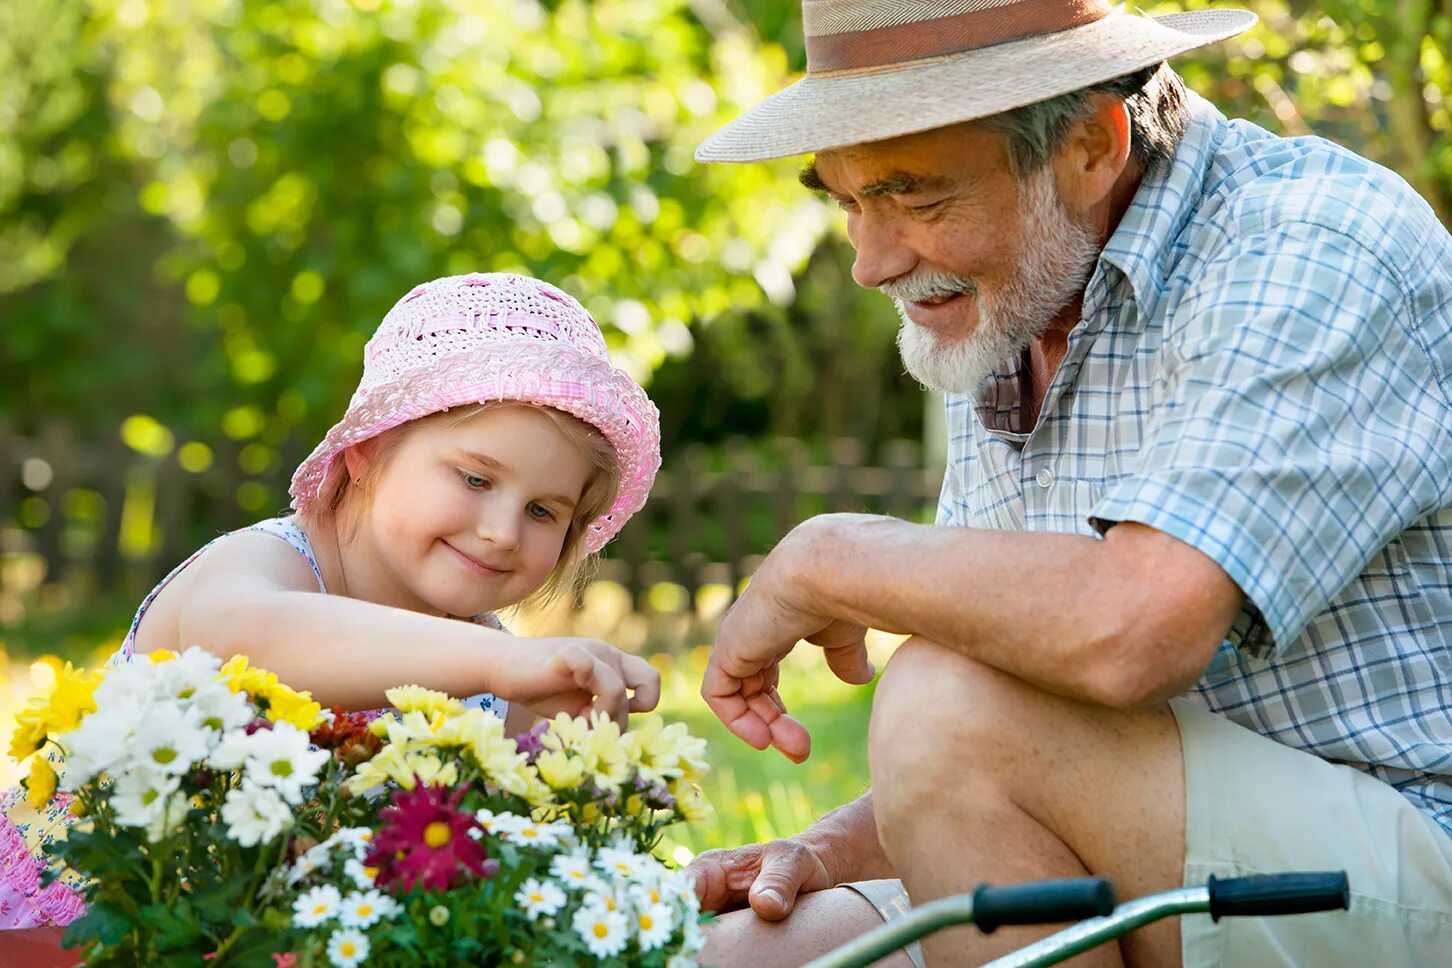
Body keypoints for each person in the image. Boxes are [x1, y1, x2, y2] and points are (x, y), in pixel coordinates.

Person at [687, 2, 1452, 966]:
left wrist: (827, 557)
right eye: (847, 203)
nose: (871, 262)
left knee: (939, 698)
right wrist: (823, 849)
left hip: (1411, 870)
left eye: (917, 201)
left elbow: (1136, 634)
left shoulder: (1315, 245)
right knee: (738, 958)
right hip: (1189, 860)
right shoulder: (1012, 299)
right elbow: (1024, 749)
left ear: (1091, 145)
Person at [0, 271, 664, 930]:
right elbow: (245, 634)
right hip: (64, 929)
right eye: (474, 477)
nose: (501, 531)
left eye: (544, 511)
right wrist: (496, 662)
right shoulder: (271, 564)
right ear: (369, 451)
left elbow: (527, 866)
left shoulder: (501, 685)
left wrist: (585, 770)